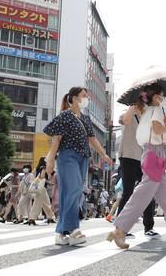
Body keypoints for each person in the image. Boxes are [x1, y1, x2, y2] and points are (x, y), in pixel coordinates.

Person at [108, 83, 166, 249]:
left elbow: (156, 127)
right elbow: (157, 128)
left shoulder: (148, 110)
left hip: (154, 154)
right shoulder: (156, 109)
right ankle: (119, 230)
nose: (163, 98)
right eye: (160, 95)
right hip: (154, 154)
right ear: (154, 96)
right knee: (141, 196)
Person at [44, 86, 112, 246]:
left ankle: (61, 232)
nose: (86, 98)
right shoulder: (65, 116)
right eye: (84, 95)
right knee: (73, 189)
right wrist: (51, 159)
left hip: (83, 158)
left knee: (71, 193)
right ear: (74, 98)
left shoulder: (85, 118)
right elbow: (56, 139)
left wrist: (104, 155)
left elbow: (92, 139)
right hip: (67, 156)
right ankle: (74, 229)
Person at [117, 102, 159, 239]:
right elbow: (124, 120)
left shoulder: (146, 118)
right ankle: (121, 227)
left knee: (148, 191)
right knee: (128, 192)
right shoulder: (127, 112)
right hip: (128, 156)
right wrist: (133, 106)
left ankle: (149, 227)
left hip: (144, 159)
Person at [27, 157, 56, 226]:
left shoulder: (37, 168)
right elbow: (42, 178)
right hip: (41, 189)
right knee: (37, 204)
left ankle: (50, 217)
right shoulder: (44, 168)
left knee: (46, 203)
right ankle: (31, 218)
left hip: (41, 189)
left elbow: (37, 178)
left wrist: (49, 183)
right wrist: (49, 182)